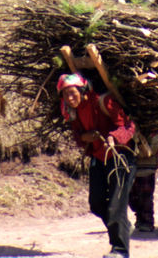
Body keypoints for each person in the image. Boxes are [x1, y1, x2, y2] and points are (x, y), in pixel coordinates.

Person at [58, 71, 138, 257]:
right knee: (96, 203)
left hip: (121, 157)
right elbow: (78, 136)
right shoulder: (73, 112)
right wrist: (86, 137)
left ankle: (119, 250)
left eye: (73, 92)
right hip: (99, 158)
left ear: (83, 90)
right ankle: (124, 227)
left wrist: (114, 137)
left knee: (116, 206)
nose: (70, 98)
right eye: (65, 94)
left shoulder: (104, 101)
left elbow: (128, 126)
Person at [129, 133, 158, 232]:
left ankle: (147, 222)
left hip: (147, 168)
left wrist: (137, 141)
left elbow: (149, 152)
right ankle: (139, 218)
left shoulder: (153, 134)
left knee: (145, 197)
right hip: (133, 168)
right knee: (133, 196)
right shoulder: (131, 133)